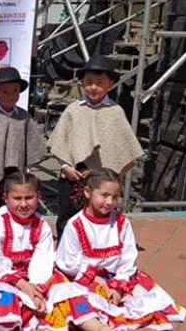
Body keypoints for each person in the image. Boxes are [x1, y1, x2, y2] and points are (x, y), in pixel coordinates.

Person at [55, 169, 186, 330]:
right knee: (74, 298)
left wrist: (118, 287)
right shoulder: (75, 225)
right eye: (104, 195)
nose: (110, 202)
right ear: (88, 192)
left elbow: (128, 258)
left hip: (116, 278)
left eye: (115, 197)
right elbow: (67, 262)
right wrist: (95, 278)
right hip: (84, 278)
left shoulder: (121, 223)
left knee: (146, 301)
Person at [47, 54, 144, 240]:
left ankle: (97, 251)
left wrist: (105, 173)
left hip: (101, 181)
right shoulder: (73, 110)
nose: (93, 87)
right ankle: (64, 256)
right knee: (67, 218)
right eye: (89, 82)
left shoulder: (115, 112)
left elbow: (123, 149)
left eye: (99, 83)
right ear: (82, 82)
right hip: (73, 177)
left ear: (110, 84)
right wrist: (65, 166)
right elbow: (60, 143)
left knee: (98, 219)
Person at [0, 171, 75, 330]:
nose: (23, 204)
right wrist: (22, 285)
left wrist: (37, 289)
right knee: (5, 299)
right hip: (1, 273)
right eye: (17, 198)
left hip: (33, 274)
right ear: (5, 198)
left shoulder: (41, 226)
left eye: (29, 198)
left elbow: (42, 260)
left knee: (62, 294)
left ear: (38, 197)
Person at [0, 67, 47, 213]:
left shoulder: (23, 116)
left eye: (15, 91)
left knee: (16, 211)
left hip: (17, 175)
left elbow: (29, 147)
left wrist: (27, 170)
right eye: (5, 91)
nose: (11, 95)